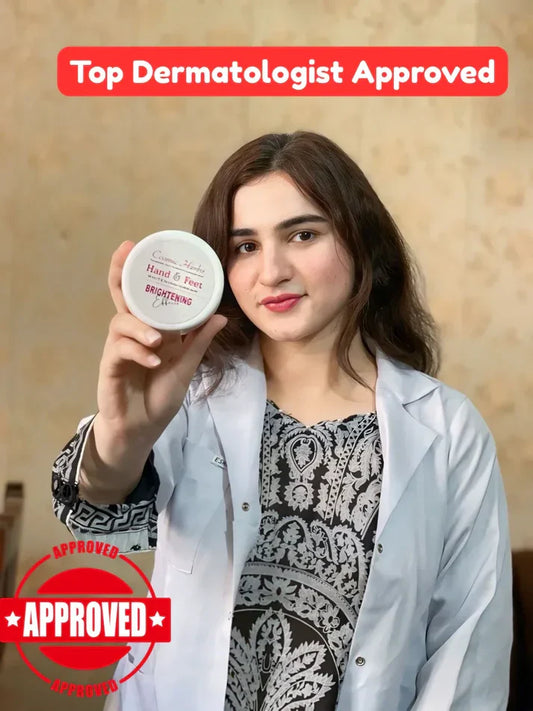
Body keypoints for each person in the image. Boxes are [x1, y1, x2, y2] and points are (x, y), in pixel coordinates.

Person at [51, 131, 513, 711]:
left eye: (302, 234)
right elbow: (96, 519)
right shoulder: (189, 395)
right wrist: (123, 436)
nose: (271, 271)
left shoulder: (448, 430)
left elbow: (467, 656)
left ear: (363, 242)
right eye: (245, 246)